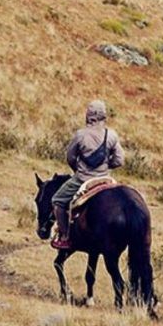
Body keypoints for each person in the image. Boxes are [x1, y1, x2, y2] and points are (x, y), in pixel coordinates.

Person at [50, 99, 125, 249]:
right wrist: (105, 166)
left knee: (57, 201)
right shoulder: (111, 135)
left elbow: (70, 157)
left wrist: (78, 170)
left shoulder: (80, 135)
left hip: (82, 179)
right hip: (105, 179)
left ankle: (65, 237)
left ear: (89, 116)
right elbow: (119, 160)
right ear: (104, 116)